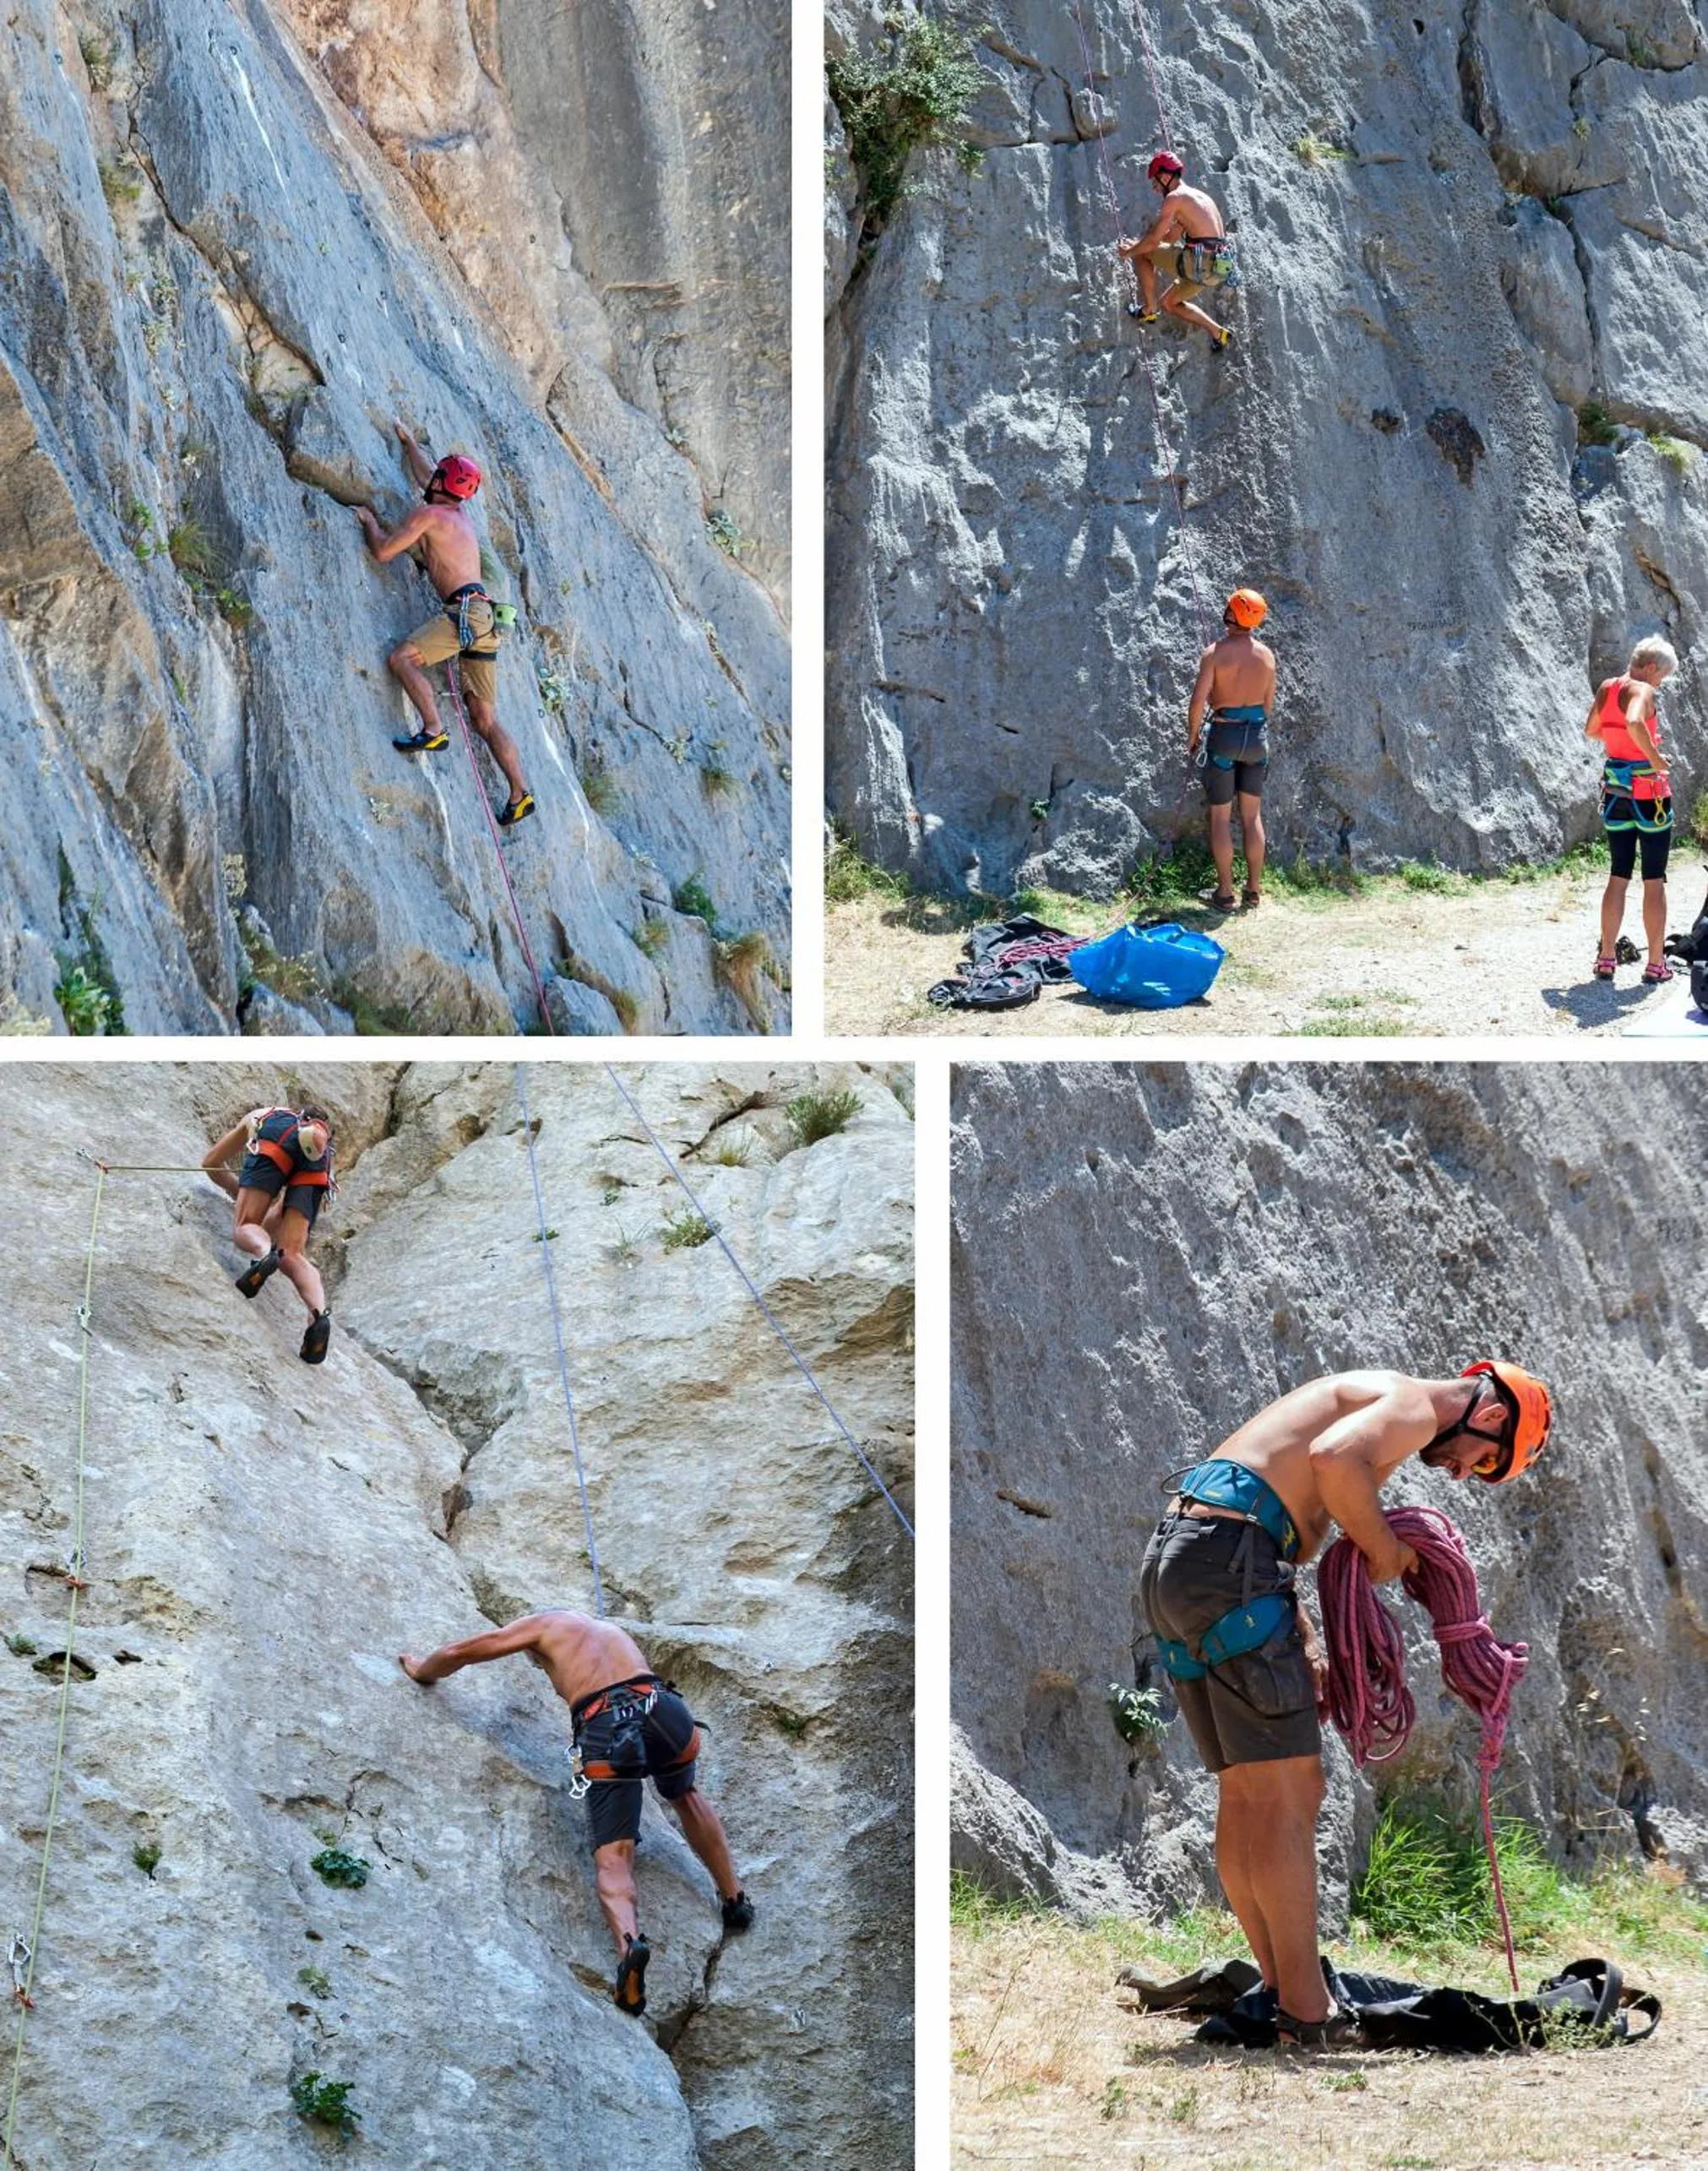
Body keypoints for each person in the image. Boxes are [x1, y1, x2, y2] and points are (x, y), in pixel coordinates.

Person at [1138, 1362, 1553, 2046]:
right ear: (1493, 1417)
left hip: (1186, 1562)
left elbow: (1285, 1504)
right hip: (1231, 1562)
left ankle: (1280, 1990)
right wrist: (1384, 1548)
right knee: (1292, 1788)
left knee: (1247, 1791)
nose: (1460, 1474)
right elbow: (1333, 1462)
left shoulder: (1370, 1396)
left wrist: (1301, 1630)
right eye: (1483, 1463)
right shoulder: (1412, 1404)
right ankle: (1305, 2009)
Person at [399, 1608, 753, 2016]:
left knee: (614, 1856)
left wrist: (422, 1669)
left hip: (607, 1725)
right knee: (685, 1793)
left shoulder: (541, 1627)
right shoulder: (609, 1629)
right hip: (664, 1710)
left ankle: (629, 1950)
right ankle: (734, 1897)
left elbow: (461, 1651)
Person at [355, 422, 535, 827]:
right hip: (485, 616)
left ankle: (433, 728)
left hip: (464, 614)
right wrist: (409, 444)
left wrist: (369, 522)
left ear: (443, 484)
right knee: (484, 719)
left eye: (438, 474)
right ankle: (520, 794)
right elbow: (430, 475)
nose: (431, 476)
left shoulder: (428, 515)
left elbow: (384, 552)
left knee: (402, 659)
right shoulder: (457, 515)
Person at [202, 1105, 335, 1363]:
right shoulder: (323, 1153)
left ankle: (263, 1255)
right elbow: (280, 1217)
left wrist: (239, 1192)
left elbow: (211, 1163)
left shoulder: (267, 1115)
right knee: (293, 1255)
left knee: (245, 1226)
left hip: (275, 1139)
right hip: (318, 1171)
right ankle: (317, 1315)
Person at [1586, 637, 1677, 984]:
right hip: (1648, 793)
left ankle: (1607, 958)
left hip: (1616, 790)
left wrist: (1621, 747)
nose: (1659, 684)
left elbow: (1592, 730)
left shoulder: (1608, 687)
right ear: (1651, 668)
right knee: (1654, 880)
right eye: (1661, 678)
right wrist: (1656, 760)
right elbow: (1636, 722)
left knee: (1618, 874)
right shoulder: (1642, 690)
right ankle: (1656, 965)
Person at [1187, 590, 1275, 911]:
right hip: (1256, 739)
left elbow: (1198, 702)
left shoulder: (1214, 653)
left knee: (1221, 817)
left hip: (1224, 735)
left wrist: (1193, 736)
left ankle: (1224, 893)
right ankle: (1253, 889)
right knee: (1252, 817)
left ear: (1232, 613)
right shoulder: (1267, 656)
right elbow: (1268, 705)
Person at [1118, 151, 1235, 350]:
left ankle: (1148, 310)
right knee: (1170, 303)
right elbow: (1170, 238)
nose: (1155, 189)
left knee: (1142, 253)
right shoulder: (1200, 198)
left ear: (1164, 177)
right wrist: (1142, 243)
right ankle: (1218, 333)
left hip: (1200, 263)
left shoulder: (1174, 198)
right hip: (1216, 270)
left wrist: (1130, 252)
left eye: (1155, 183)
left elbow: (1153, 242)